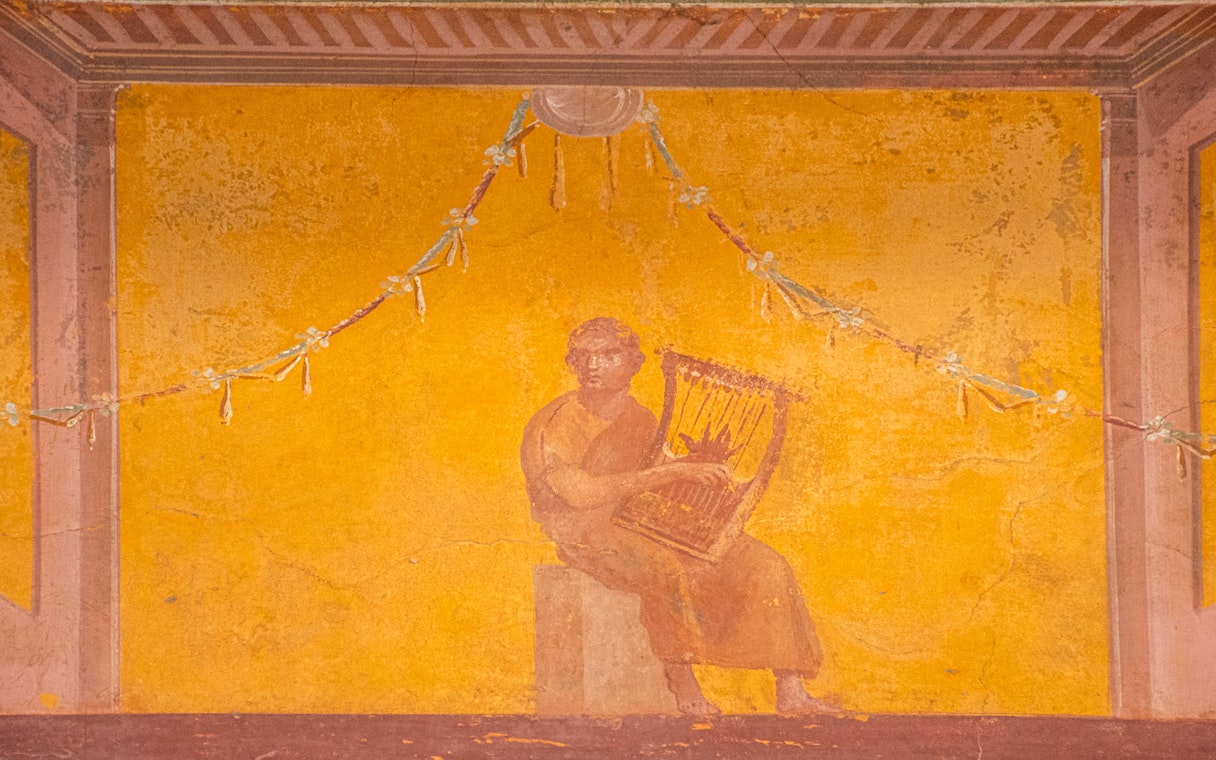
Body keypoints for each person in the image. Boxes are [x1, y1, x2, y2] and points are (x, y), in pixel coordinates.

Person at [521, 317, 842, 716]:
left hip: (639, 517)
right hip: (584, 528)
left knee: (763, 563)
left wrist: (699, 472)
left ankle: (791, 691)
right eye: (584, 356)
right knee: (663, 566)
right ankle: (683, 686)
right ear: (572, 364)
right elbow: (580, 494)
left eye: (608, 354)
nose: (594, 365)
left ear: (634, 362)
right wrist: (675, 472)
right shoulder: (558, 421)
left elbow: (649, 478)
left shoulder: (639, 417)